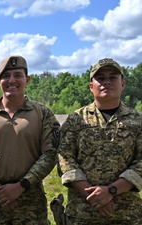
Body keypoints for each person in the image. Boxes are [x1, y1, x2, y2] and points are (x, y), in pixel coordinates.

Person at [0, 55, 60, 224]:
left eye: (18, 75)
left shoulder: (44, 114)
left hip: (31, 204)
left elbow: (50, 154)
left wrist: (21, 186)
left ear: (27, 79)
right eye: (6, 76)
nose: (12, 80)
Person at [57, 58, 142, 225]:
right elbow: (64, 159)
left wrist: (111, 191)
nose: (106, 82)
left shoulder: (137, 121)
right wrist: (95, 197)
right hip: (82, 213)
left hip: (126, 214)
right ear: (91, 86)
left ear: (123, 84)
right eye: (101, 78)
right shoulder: (75, 120)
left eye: (112, 77)